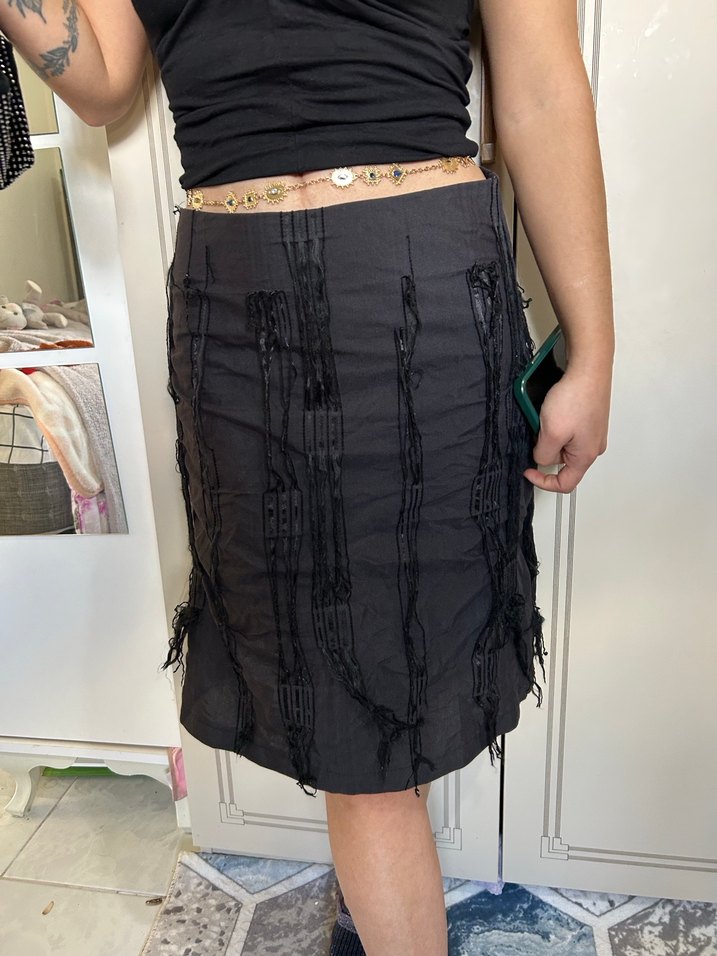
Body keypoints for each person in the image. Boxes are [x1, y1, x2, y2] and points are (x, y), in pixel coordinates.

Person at [1, 2, 614, 953]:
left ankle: (378, 903)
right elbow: (105, 83)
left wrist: (593, 347)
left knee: (393, 678)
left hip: (416, 279)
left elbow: (539, 88)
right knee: (340, 686)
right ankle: (376, 900)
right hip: (232, 294)